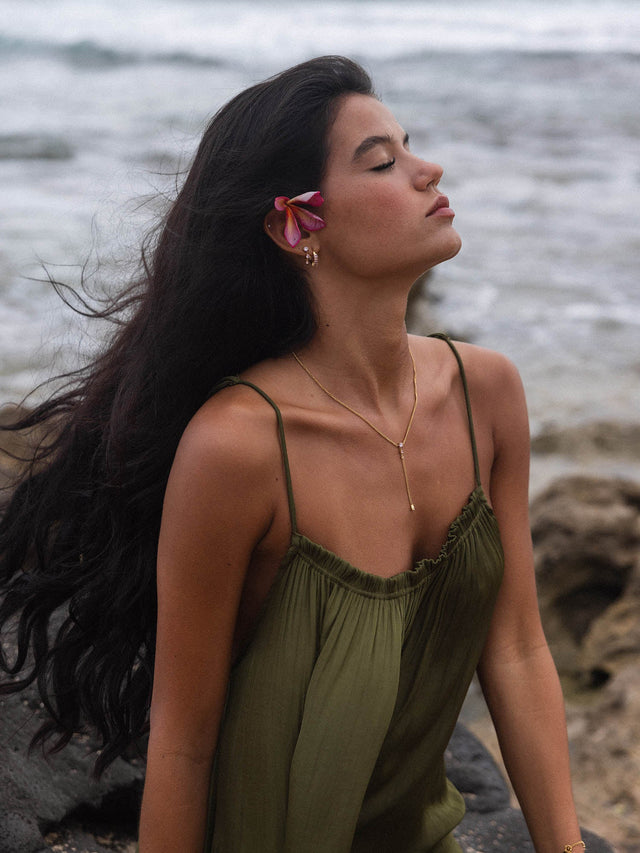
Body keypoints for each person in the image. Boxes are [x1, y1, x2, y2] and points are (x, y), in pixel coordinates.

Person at [0, 56, 584, 853]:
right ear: (295, 226)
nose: (429, 169)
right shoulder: (238, 446)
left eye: (409, 146)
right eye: (381, 162)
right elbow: (184, 740)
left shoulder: (488, 394)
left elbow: (516, 649)